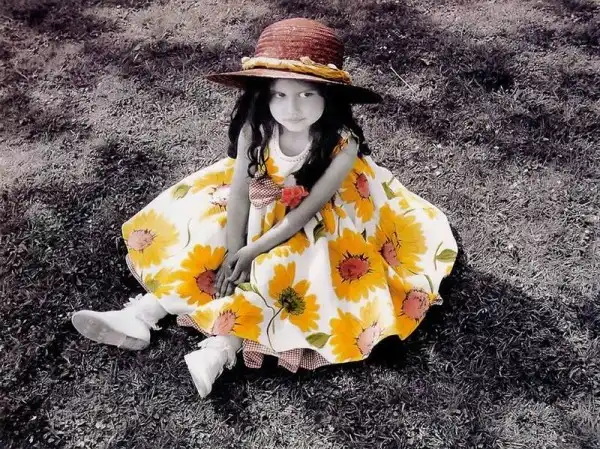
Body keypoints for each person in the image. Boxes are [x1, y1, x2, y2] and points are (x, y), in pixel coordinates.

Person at [71, 18, 458, 398]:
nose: (292, 109)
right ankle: (142, 314)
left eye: (307, 95)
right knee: (209, 233)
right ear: (264, 95)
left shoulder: (343, 144)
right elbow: (240, 194)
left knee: (284, 264)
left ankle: (222, 348)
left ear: (329, 97)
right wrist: (233, 249)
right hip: (259, 200)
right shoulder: (255, 130)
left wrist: (253, 250)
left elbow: (307, 211)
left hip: (319, 215)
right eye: (279, 95)